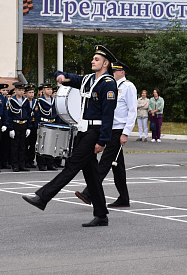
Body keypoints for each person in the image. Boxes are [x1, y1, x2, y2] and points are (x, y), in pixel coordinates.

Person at [22, 45, 118, 227]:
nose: (92, 61)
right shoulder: (89, 79)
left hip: (95, 132)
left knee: (72, 165)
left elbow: (108, 115)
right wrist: (59, 75)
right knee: (92, 175)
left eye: (96, 59)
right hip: (83, 131)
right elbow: (71, 79)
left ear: (105, 63)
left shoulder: (108, 84)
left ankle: (43, 197)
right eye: (93, 58)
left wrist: (103, 140)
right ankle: (101, 215)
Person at [75, 60, 137, 208]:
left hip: (118, 129)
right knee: (118, 167)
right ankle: (124, 198)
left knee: (105, 163)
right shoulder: (109, 85)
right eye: (112, 71)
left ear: (122, 72)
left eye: (116, 71)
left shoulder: (128, 87)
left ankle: (89, 192)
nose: (113, 73)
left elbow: (132, 111)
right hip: (109, 128)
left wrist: (126, 133)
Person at [6, 82, 31, 172]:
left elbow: (29, 114)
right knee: (15, 146)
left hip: (24, 124)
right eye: (19, 90)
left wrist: (29, 127)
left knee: (23, 146)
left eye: (22, 90)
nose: (21, 91)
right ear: (15, 90)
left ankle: (22, 164)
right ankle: (15, 165)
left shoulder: (25, 101)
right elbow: (9, 115)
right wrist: (11, 128)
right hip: (15, 124)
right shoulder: (11, 101)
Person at [35, 82, 58, 171]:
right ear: (43, 90)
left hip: (52, 123)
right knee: (42, 145)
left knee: (52, 144)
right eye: (48, 89)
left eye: (51, 89)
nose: (50, 91)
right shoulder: (40, 101)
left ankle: (50, 163)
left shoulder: (54, 100)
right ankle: (42, 163)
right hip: (43, 123)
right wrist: (38, 125)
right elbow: (37, 114)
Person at [25, 84, 38, 169]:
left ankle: (31, 160)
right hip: (26, 124)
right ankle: (25, 161)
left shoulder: (36, 102)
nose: (31, 94)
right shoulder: (24, 101)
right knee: (26, 144)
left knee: (33, 144)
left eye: (32, 92)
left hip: (34, 124)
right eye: (29, 92)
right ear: (25, 93)